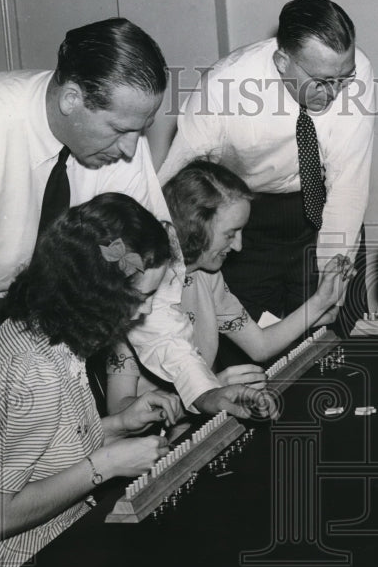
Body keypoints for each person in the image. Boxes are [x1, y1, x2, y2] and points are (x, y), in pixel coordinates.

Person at [0, 193, 277, 567]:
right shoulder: (31, 370)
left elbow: (44, 444)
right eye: (139, 298)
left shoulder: (42, 334)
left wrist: (119, 424)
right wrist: (106, 464)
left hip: (74, 564)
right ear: (96, 292)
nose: (144, 314)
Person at [0, 17, 253, 464]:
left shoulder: (119, 146)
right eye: (120, 129)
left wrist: (200, 388)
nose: (131, 150)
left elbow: (150, 287)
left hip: (47, 322)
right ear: (72, 98)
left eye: (142, 129)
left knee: (41, 466)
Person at [157, 0, 375, 325]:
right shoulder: (224, 87)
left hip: (325, 206)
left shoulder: (356, 71)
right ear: (282, 61)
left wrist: (331, 283)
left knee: (342, 332)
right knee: (254, 338)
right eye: (320, 82)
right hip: (248, 220)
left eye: (343, 79)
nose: (333, 93)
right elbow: (173, 184)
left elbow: (349, 185)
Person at [105, 158, 353, 413]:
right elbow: (118, 409)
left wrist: (320, 302)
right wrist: (212, 387)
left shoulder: (208, 276)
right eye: (230, 234)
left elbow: (260, 345)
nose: (238, 246)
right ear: (196, 228)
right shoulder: (142, 288)